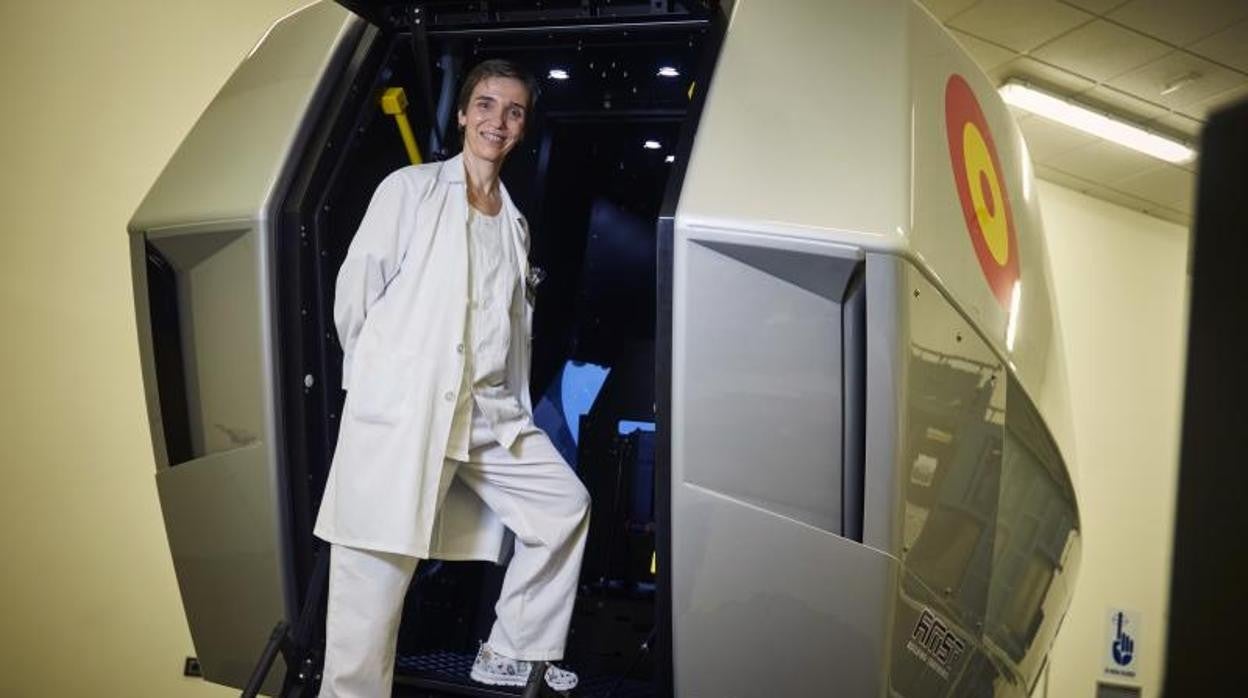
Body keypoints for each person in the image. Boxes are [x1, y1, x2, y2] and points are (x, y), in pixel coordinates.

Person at [313, 59, 590, 697]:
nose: (498, 121)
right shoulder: (409, 191)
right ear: (464, 114)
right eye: (487, 106)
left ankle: (510, 649)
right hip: (407, 415)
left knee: (563, 507)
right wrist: (384, 382)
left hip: (489, 415)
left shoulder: (514, 224)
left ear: (522, 129)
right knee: (369, 606)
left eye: (513, 111)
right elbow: (355, 293)